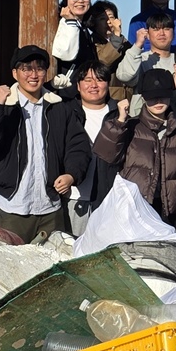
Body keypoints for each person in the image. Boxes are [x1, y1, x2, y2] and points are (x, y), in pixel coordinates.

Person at [0, 45, 90, 242]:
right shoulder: (4, 107)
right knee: (10, 268)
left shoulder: (59, 107)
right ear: (15, 73)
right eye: (26, 68)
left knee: (51, 267)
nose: (33, 74)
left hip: (50, 207)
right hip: (11, 206)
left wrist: (71, 174)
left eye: (40, 68)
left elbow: (78, 145)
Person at [95, 69, 176, 231]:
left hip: (169, 215)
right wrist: (120, 121)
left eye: (163, 94)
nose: (158, 101)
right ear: (143, 97)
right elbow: (106, 153)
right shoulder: (130, 127)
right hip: (133, 213)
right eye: (152, 96)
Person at [63, 59, 118, 235]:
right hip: (74, 197)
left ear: (108, 84)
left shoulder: (120, 113)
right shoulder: (65, 112)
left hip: (109, 199)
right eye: (87, 80)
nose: (94, 85)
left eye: (100, 79)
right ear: (78, 86)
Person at [49, 0, 98, 85]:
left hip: (85, 90)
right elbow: (66, 54)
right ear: (65, 0)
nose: (80, 1)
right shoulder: (60, 24)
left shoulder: (85, 28)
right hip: (67, 91)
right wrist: (70, 22)